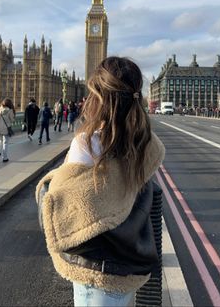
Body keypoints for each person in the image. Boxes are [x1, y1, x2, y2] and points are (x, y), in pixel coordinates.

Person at [36, 56, 165, 307]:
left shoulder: (87, 144)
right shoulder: (145, 144)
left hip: (97, 274)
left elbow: (60, 213)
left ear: (99, 98)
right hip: (129, 267)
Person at [0, 98, 15, 162]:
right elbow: (12, 120)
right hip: (6, 129)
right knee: (5, 143)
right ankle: (5, 158)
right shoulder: (10, 111)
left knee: (0, 141)